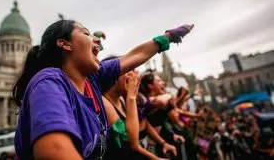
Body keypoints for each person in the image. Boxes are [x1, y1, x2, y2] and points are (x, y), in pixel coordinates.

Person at [12, 19, 194, 159]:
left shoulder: (91, 79)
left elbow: (134, 56)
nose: (96, 40)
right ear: (65, 44)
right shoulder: (49, 82)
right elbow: (53, 151)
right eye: (86, 33)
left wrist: (169, 37)